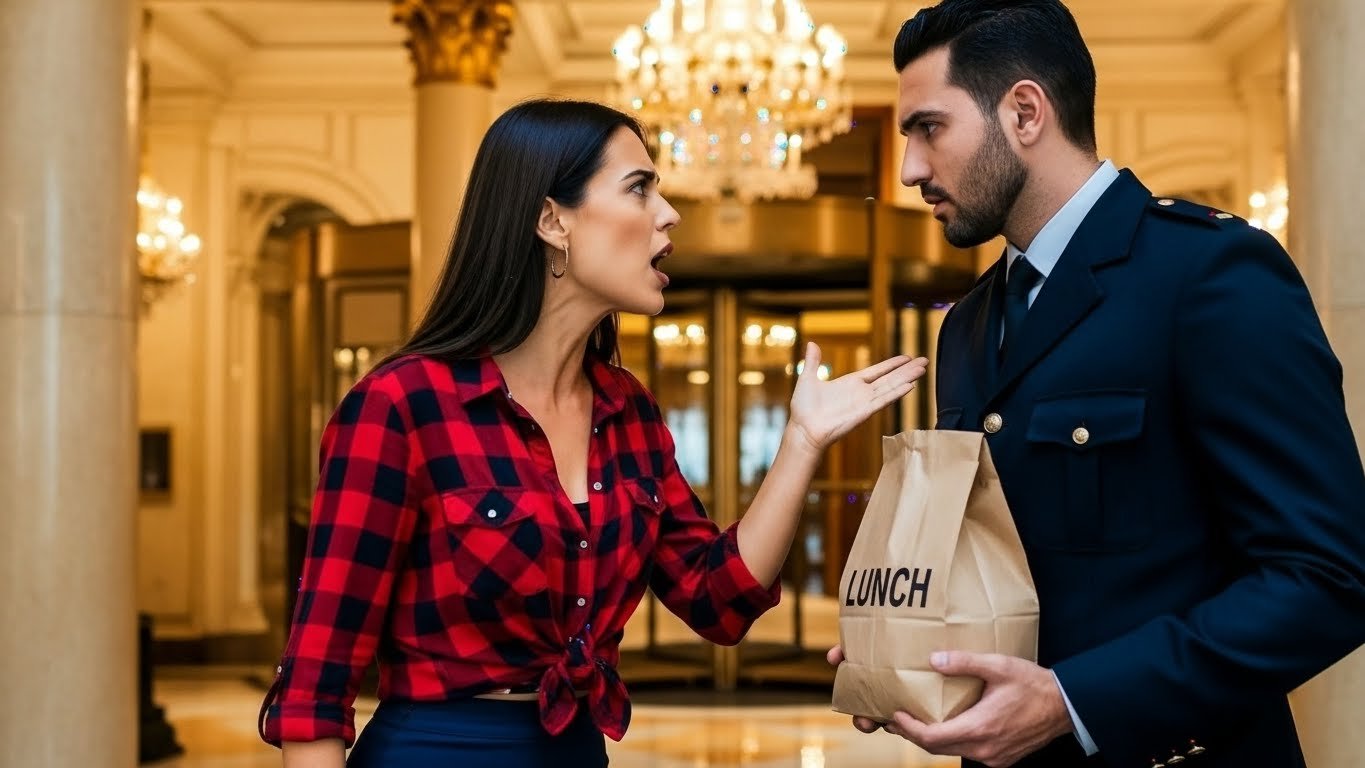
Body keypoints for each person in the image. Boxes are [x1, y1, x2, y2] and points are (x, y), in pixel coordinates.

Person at [257, 98, 928, 768]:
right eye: (639, 188)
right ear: (552, 220)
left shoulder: (625, 410)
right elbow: (317, 682)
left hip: (574, 749)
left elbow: (716, 602)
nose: (668, 214)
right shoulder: (402, 404)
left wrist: (801, 444)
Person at [825, 2, 1365, 767]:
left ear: (1023, 112)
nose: (909, 167)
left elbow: (1327, 578)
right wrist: (906, 644)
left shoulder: (1208, 274)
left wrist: (1075, 702)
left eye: (928, 127)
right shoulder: (970, 321)